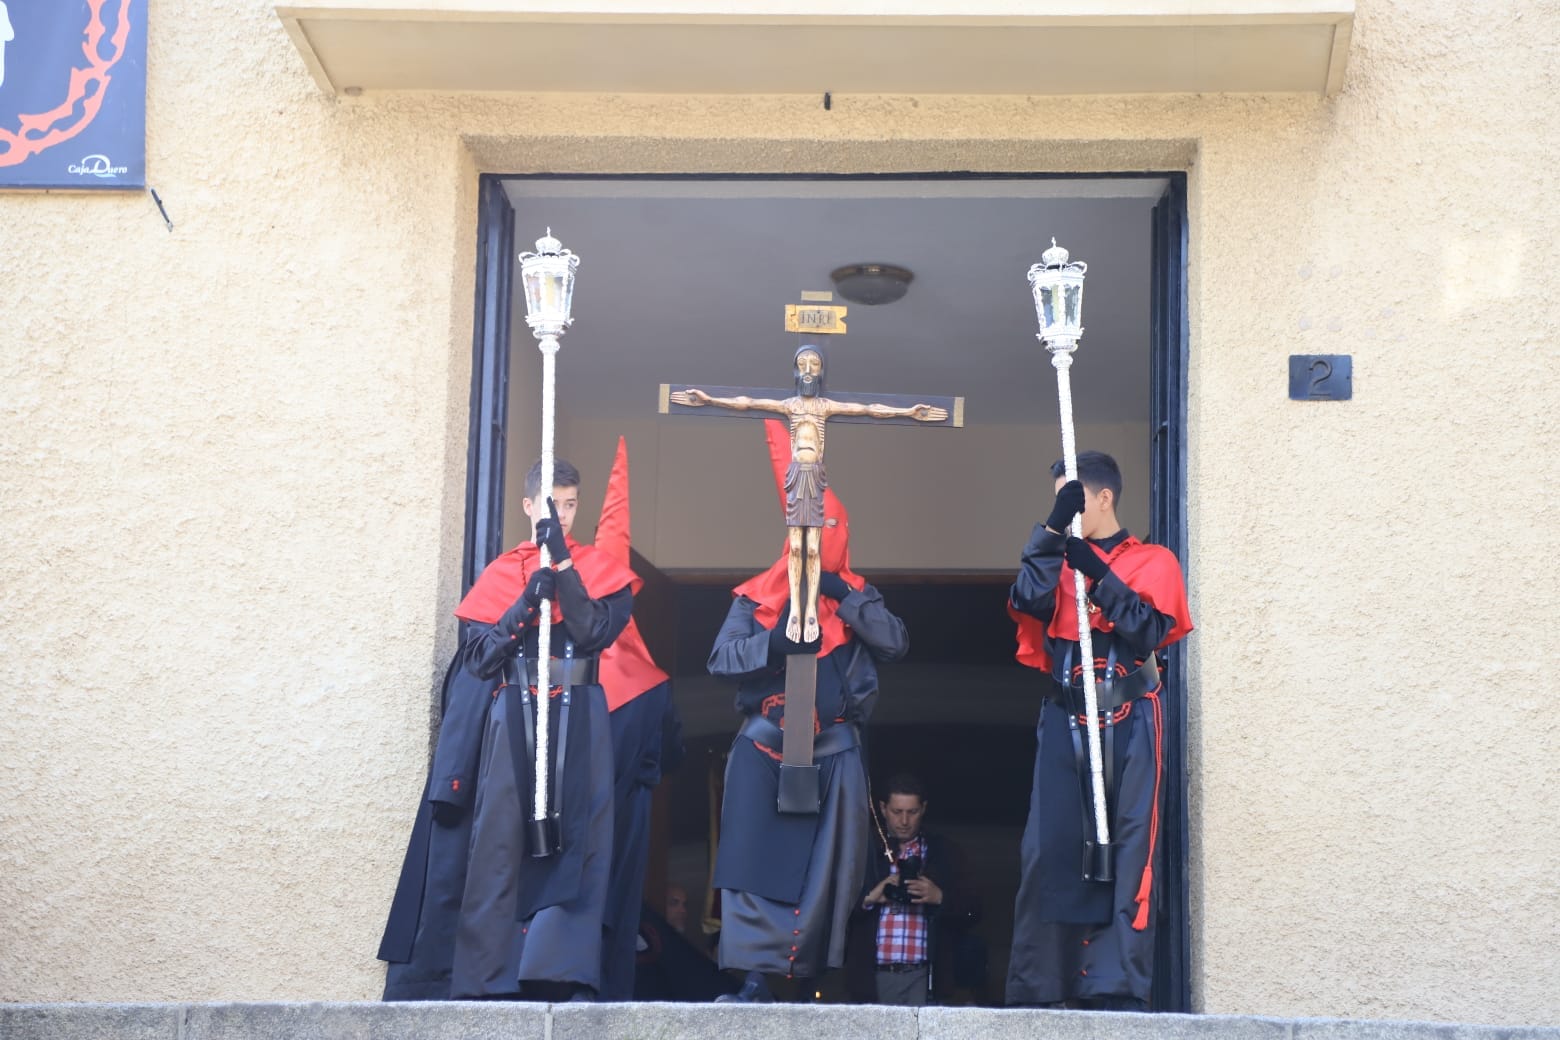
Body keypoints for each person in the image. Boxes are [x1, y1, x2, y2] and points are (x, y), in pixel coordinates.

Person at [377, 457, 638, 1002]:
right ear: (528, 506)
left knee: (579, 840)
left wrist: (564, 569)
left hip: (580, 710)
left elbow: (591, 633)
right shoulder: (500, 572)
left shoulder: (601, 570)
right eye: (552, 504)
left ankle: (564, 973)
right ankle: (487, 977)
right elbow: (478, 658)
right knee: (498, 839)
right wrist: (524, 602)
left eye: (570, 504)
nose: (562, 515)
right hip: (514, 708)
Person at [706, 420, 910, 1003]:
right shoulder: (755, 596)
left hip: (835, 755)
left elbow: (894, 642)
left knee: (825, 874)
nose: (819, 539)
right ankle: (753, 979)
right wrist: (774, 643)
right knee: (752, 867)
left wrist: (838, 592)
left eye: (829, 530)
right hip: (764, 749)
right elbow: (721, 659)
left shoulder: (856, 595)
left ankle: (805, 981)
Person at [1005, 451, 1193, 1011]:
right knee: (1050, 845)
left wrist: (1097, 571)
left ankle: (1114, 986)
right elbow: (1028, 602)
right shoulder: (1056, 561)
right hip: (1065, 721)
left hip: (1132, 721)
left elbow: (1149, 631)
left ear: (1104, 497)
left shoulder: (1154, 560)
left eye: (1074, 498)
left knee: (1131, 847)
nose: (1066, 509)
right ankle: (1044, 985)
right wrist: (1049, 535)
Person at [591, 437, 686, 1002]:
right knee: (618, 906)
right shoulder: (653, 679)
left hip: (570, 811)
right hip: (628, 811)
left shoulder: (558, 664)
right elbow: (673, 753)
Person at [846, 773, 980, 1006]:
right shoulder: (863, 853)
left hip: (925, 976)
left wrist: (940, 898)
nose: (904, 821)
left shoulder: (943, 853)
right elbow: (833, 911)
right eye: (897, 812)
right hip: (871, 977)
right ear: (883, 808)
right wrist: (870, 897)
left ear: (924, 809)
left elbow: (975, 911)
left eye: (912, 812)